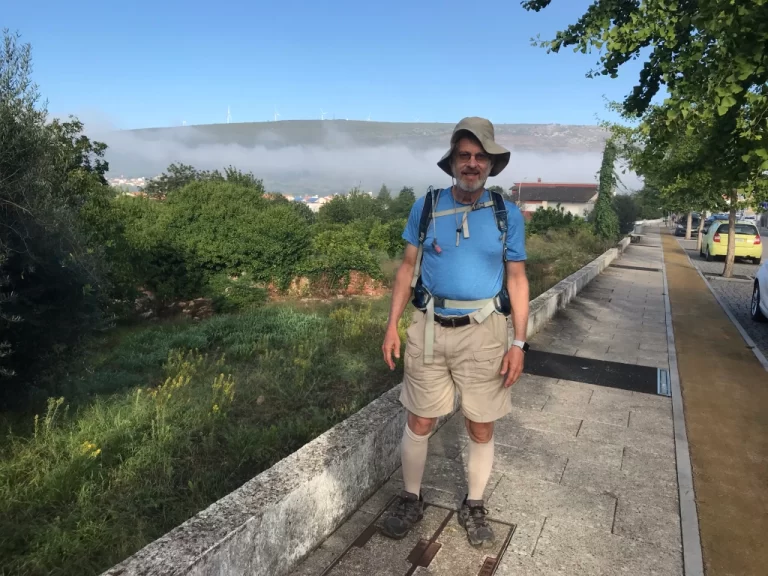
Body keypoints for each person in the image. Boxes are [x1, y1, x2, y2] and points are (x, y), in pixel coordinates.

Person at [380, 117, 529, 549]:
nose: (472, 163)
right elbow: (407, 268)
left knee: (480, 425)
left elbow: (517, 279)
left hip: (485, 332)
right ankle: (411, 497)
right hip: (427, 327)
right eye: (464, 155)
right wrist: (392, 325)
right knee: (420, 418)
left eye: (480, 156)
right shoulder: (426, 207)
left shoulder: (507, 215)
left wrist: (519, 342)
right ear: (452, 162)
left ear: (490, 164)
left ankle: (475, 503)